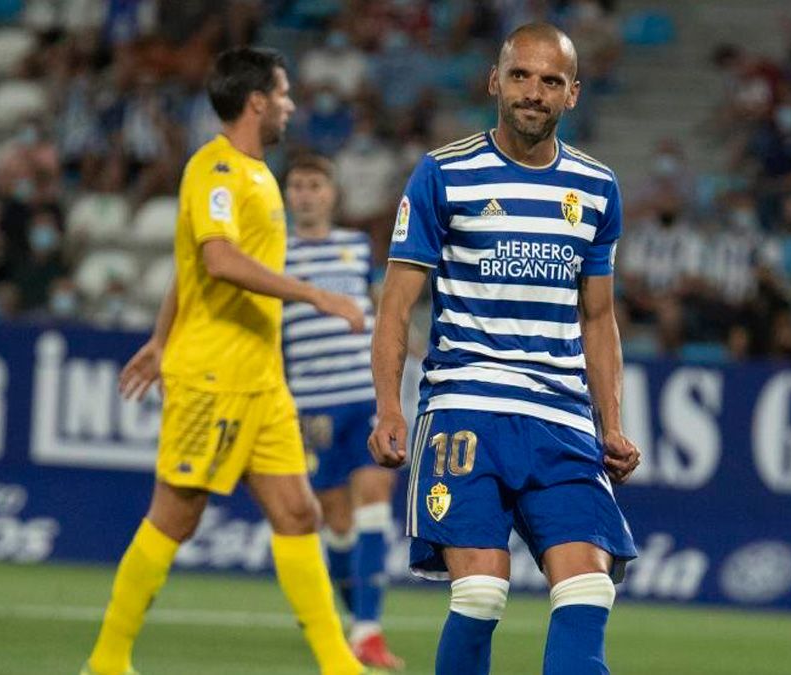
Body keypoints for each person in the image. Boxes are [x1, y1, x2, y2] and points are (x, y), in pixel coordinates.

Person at [81, 47, 368, 675]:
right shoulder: (214, 170)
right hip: (214, 376)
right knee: (176, 518)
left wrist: (160, 338)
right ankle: (106, 661)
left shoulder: (257, 173)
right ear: (258, 100)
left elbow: (187, 270)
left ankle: (338, 664)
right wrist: (317, 294)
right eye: (285, 92)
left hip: (261, 379)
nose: (292, 103)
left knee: (299, 513)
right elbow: (216, 260)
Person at [368, 23, 640, 675]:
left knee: (587, 587)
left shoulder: (596, 187)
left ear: (572, 94)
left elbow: (598, 317)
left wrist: (613, 423)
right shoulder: (443, 173)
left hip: (562, 420)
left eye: (551, 81)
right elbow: (397, 303)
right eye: (521, 75)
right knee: (483, 591)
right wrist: (389, 407)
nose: (533, 91)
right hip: (466, 410)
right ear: (495, 80)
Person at [282, 154, 403, 669]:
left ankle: (369, 631)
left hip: (364, 397)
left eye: (315, 185)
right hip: (313, 406)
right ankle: (354, 622)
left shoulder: (356, 246)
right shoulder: (274, 256)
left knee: (375, 502)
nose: (307, 194)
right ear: (288, 195)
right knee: (336, 523)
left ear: (332, 194)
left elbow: (380, 306)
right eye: (298, 186)